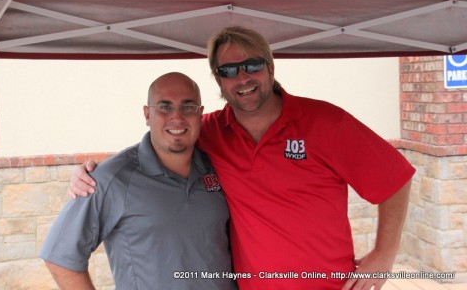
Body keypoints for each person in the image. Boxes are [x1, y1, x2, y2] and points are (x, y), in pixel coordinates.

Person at [71, 27, 415, 290]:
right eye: (229, 70)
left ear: (270, 67)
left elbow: (394, 178)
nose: (243, 78)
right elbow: (166, 137)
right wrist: (94, 173)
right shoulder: (210, 132)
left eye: (252, 65)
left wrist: (383, 256)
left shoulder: (325, 121)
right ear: (218, 81)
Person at [40, 72, 237, 290]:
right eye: (165, 106)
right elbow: (59, 256)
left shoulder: (216, 167)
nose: (177, 117)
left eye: (188, 107)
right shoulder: (113, 177)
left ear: (200, 114)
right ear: (147, 114)